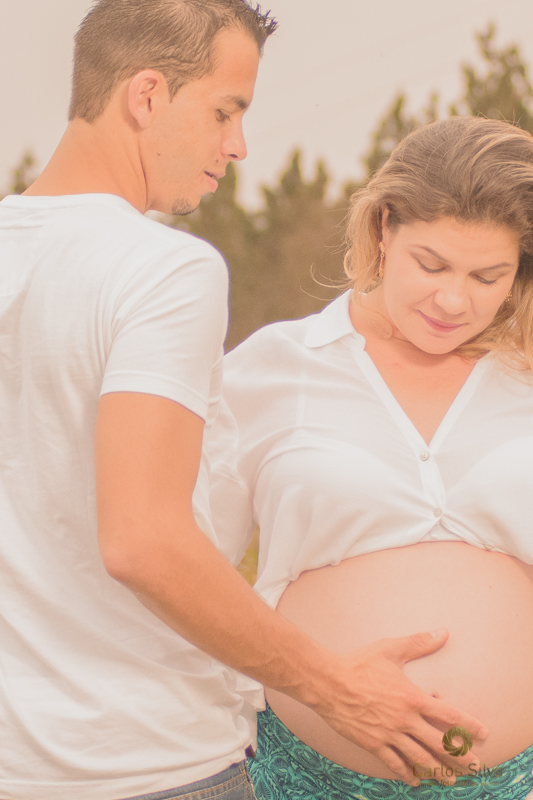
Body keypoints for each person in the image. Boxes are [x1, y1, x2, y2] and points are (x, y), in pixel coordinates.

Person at [0, 3, 488, 799]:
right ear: (147, 96)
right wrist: (336, 687)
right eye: (226, 110)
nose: (237, 145)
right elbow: (143, 540)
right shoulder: (163, 270)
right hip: (150, 765)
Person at [208, 115, 533, 800]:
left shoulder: (526, 378)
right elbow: (185, 567)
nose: (451, 299)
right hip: (305, 778)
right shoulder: (273, 368)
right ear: (383, 229)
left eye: (486, 275)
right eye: (431, 263)